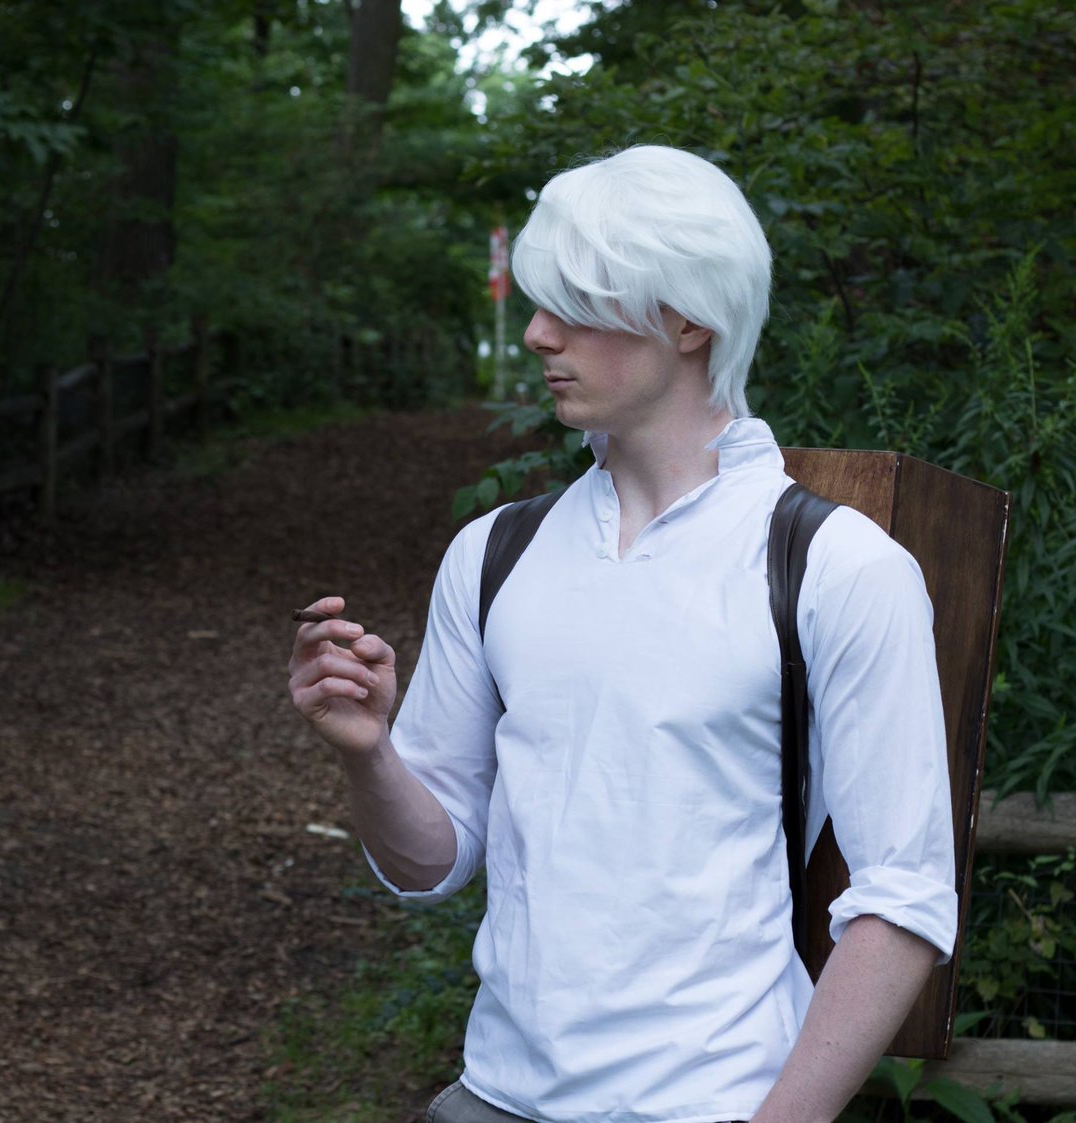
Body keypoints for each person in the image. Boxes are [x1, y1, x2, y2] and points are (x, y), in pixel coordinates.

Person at [287, 145, 956, 1123]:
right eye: (538, 302)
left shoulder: (837, 567)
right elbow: (432, 862)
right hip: (488, 1097)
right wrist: (367, 753)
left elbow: (904, 897)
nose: (538, 333)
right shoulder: (495, 554)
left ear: (689, 319)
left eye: (577, 305)